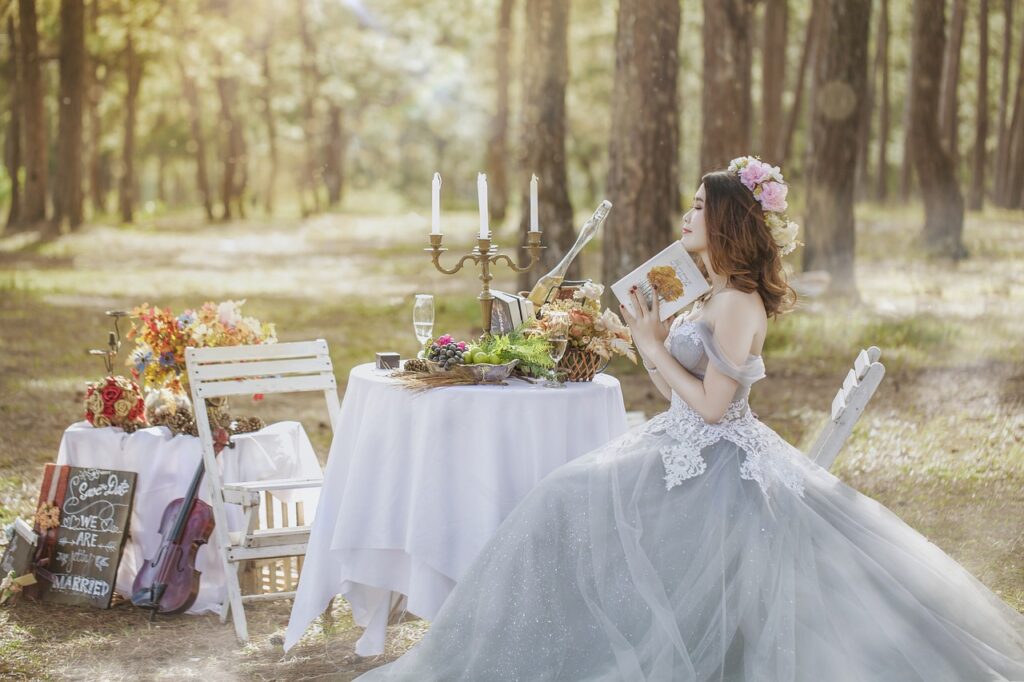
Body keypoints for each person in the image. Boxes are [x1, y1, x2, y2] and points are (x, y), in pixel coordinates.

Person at [354, 158, 1024, 681]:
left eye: (699, 206)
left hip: (713, 466)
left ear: (728, 219)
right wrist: (635, 336)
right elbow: (684, 389)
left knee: (560, 500)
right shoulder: (710, 289)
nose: (686, 214)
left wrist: (651, 344)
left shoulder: (737, 303)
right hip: (680, 444)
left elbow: (712, 408)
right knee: (557, 500)